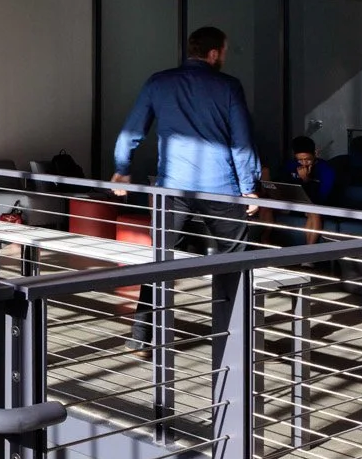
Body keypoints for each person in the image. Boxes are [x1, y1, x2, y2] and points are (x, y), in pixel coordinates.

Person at [111, 26, 264, 347]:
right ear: (213, 54)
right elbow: (241, 142)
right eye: (224, 51)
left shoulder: (159, 82)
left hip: (173, 189)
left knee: (159, 262)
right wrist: (248, 187)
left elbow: (131, 130)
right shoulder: (228, 87)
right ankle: (232, 335)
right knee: (234, 258)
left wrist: (122, 169)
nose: (224, 56)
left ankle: (141, 337)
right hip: (220, 187)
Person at [287, 136, 338, 201]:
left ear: (315, 154)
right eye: (300, 160)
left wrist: (306, 179)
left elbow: (322, 198)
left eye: (308, 159)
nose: (304, 163)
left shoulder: (326, 170)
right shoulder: (292, 165)